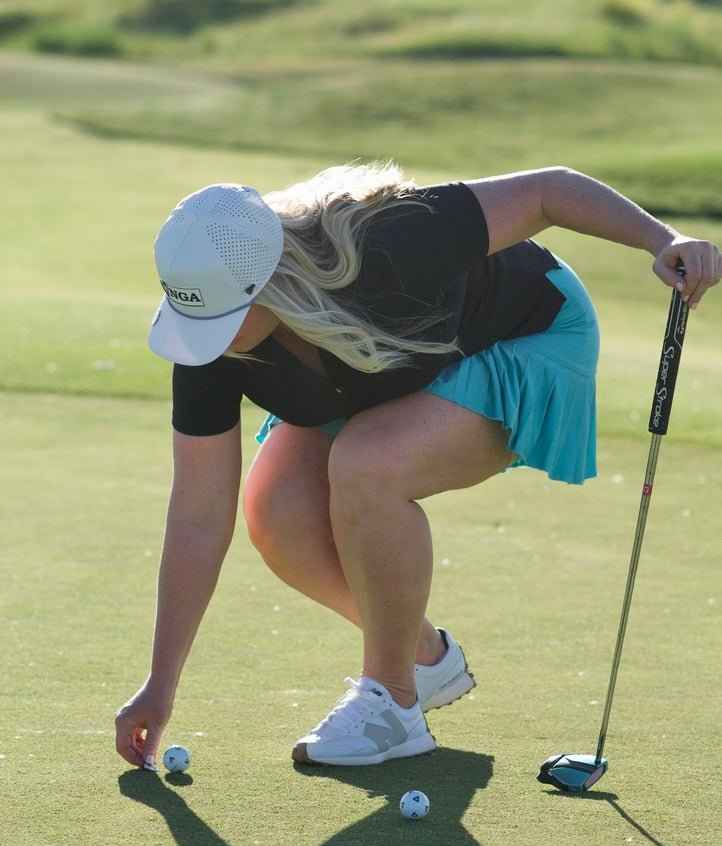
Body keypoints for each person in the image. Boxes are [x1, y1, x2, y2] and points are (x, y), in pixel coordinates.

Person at [115, 163, 721, 770]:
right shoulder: (206, 337)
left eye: (221, 321)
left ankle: (392, 706)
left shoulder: (390, 237)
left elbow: (547, 192)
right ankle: (425, 659)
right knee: (277, 512)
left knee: (368, 464)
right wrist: (160, 686)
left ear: (273, 282)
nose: (206, 341)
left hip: (522, 335)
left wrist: (661, 239)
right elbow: (198, 515)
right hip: (386, 375)